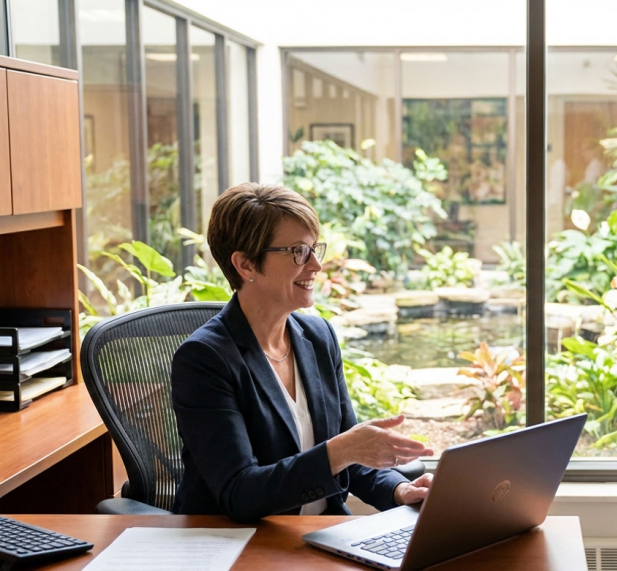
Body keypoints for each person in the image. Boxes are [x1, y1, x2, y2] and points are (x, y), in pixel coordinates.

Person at [171, 182, 434, 522]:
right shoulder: (204, 359)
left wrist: (400, 491)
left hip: (319, 535)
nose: (315, 266)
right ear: (246, 265)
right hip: (242, 544)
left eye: (314, 249)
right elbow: (240, 493)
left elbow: (349, 460)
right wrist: (339, 451)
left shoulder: (317, 337)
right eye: (298, 251)